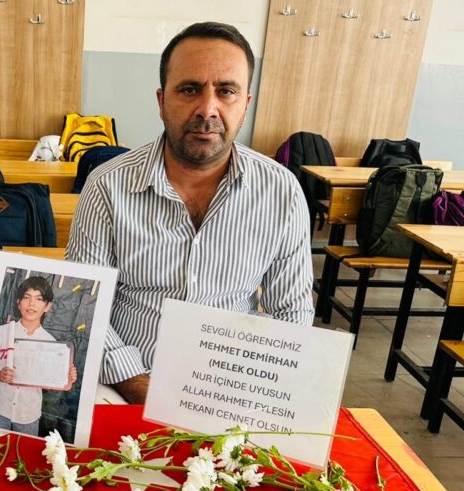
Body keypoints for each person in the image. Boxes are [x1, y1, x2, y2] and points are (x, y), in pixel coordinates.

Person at [65, 22, 315, 406]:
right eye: (189, 89)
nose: (207, 109)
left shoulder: (282, 192)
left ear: (246, 103)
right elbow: (84, 302)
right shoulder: (107, 186)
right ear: (162, 100)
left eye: (226, 91)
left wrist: (255, 389)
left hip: (232, 387)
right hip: (122, 384)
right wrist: (142, 388)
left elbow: (291, 312)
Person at [0, 276, 77, 435]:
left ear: (47, 306)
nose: (32, 304)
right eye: (27, 297)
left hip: (28, 414)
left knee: (24, 449)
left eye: (39, 299)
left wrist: (67, 377)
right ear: (18, 302)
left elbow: (52, 382)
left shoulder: (51, 342)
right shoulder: (3, 331)